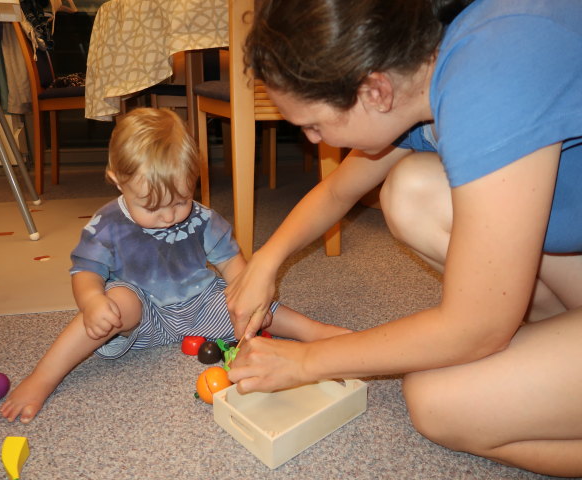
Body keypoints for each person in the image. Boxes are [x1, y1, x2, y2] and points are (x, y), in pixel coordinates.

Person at [224, 0, 582, 476]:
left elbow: (475, 328)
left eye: (313, 124)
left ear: (375, 90)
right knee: (412, 189)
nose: (313, 140)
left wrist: (308, 360)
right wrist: (266, 260)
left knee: (437, 402)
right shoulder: (424, 64)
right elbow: (336, 190)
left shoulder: (492, 77)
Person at [0, 108, 349, 424]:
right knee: (115, 305)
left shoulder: (203, 218)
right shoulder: (106, 223)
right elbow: (85, 270)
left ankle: (311, 331)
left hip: (198, 303)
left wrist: (247, 300)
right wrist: (92, 300)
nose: (168, 216)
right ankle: (42, 378)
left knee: (258, 307)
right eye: (152, 207)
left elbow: (232, 264)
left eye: (181, 202)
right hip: (141, 312)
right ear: (118, 180)